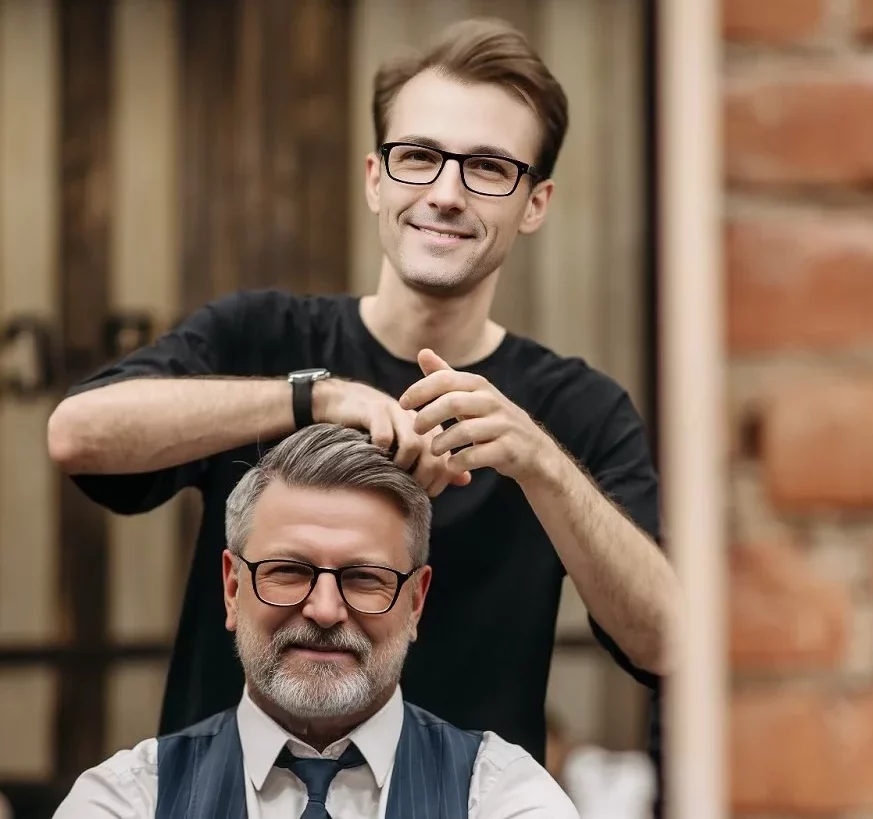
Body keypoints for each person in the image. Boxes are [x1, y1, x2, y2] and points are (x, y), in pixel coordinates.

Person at [46, 17, 681, 765]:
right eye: (418, 157)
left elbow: (670, 642)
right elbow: (77, 435)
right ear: (376, 178)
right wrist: (315, 398)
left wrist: (538, 462)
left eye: (487, 169)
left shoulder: (579, 408)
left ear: (534, 203)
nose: (445, 193)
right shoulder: (262, 337)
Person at [53, 424, 579, 819]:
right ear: (232, 588)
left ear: (416, 602)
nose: (325, 610)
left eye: (364, 577)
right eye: (287, 571)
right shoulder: (128, 799)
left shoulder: (499, 795)